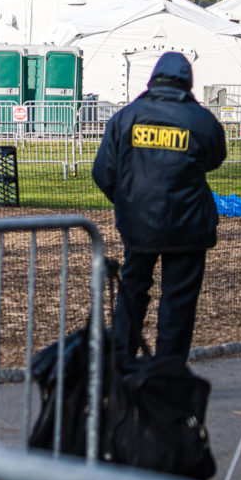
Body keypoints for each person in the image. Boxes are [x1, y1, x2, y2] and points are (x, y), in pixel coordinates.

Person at [91, 51, 226, 367]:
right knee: (178, 299)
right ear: (188, 82)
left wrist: (128, 201)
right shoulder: (201, 120)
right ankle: (168, 372)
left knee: (133, 290)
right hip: (188, 226)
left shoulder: (126, 117)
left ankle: (123, 363)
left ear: (153, 79)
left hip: (138, 225)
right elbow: (215, 158)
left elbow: (102, 171)